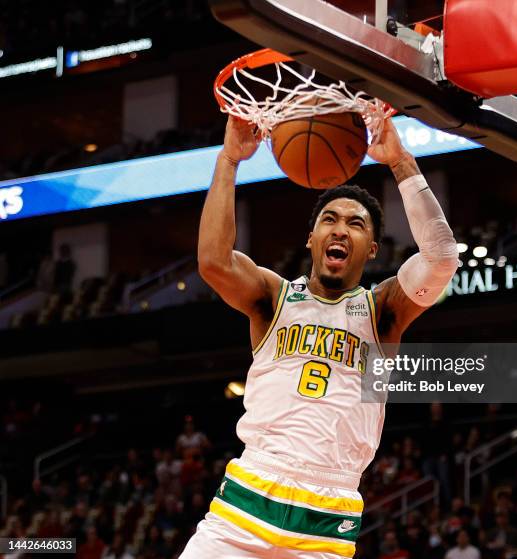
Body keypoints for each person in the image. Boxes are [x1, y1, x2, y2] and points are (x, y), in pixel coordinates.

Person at [179, 115, 458, 559]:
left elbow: (442, 259)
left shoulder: (382, 311)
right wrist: (229, 159)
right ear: (311, 239)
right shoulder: (272, 297)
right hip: (246, 502)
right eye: (330, 219)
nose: (341, 228)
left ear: (370, 249)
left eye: (356, 224)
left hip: (327, 514)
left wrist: (401, 161)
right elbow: (213, 261)